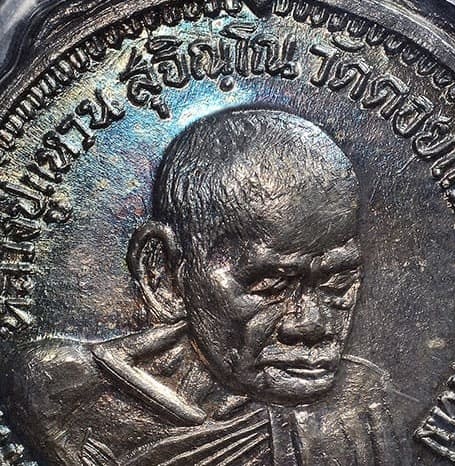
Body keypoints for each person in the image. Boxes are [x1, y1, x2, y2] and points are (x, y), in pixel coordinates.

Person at [2, 110, 409, 465]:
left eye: (337, 280)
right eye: (270, 284)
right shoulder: (64, 396)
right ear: (164, 275)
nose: (312, 325)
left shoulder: (359, 405)